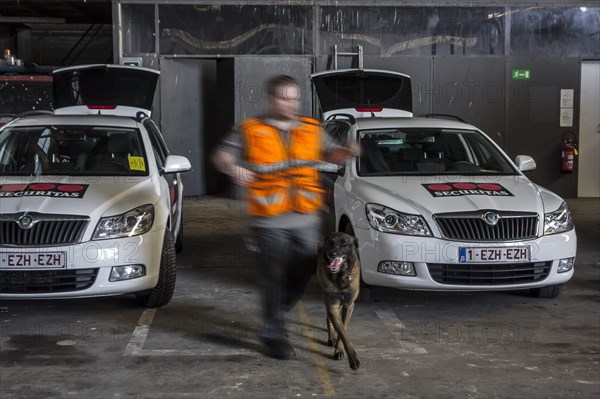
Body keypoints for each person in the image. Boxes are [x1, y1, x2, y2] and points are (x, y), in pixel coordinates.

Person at [212, 74, 359, 360]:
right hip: (266, 219)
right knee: (270, 277)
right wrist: (233, 168)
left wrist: (345, 152)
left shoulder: (311, 128)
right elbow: (221, 155)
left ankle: (275, 315)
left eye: (294, 98)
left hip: (304, 217)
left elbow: (331, 155)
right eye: (284, 97)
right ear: (270, 99)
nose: (291, 103)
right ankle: (273, 334)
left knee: (303, 271)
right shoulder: (250, 129)